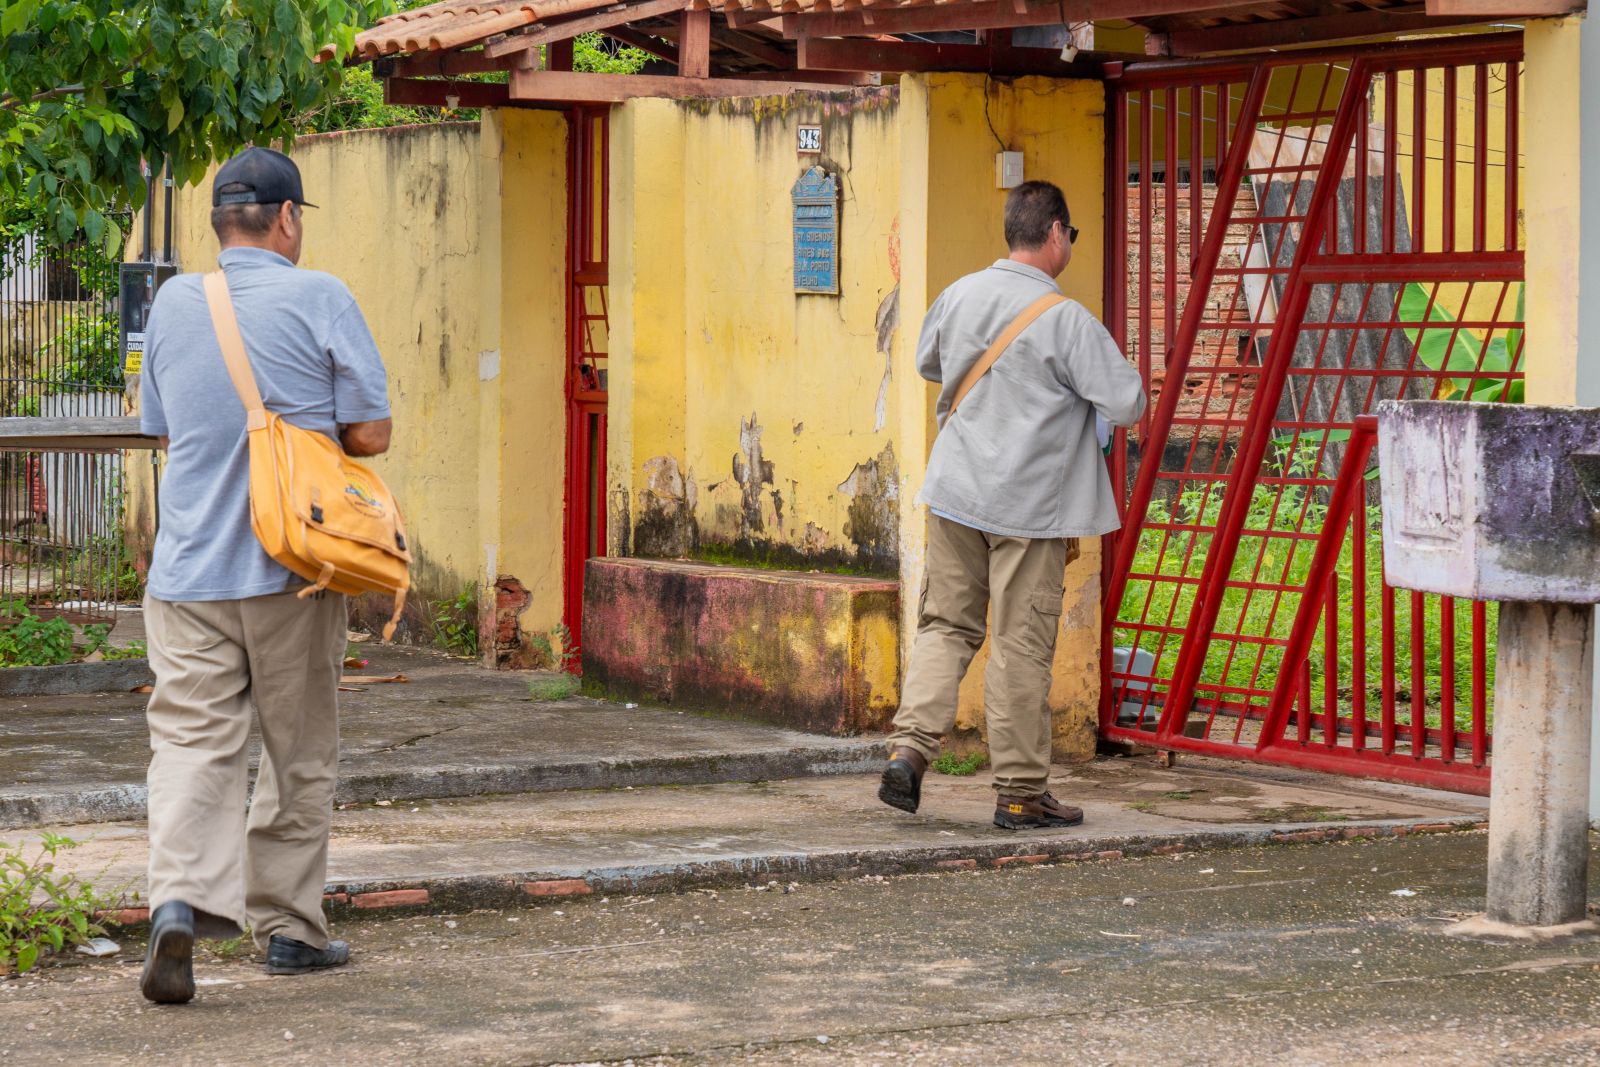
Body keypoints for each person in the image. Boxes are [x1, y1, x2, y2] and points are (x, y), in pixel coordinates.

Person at [137, 147, 393, 1004]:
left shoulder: (173, 304)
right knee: (297, 749)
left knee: (189, 740)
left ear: (220, 223)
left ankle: (178, 897)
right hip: (295, 569)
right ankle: (288, 929)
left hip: (187, 573)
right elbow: (372, 432)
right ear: (287, 219)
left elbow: (163, 427)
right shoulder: (322, 295)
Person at [878, 180, 1146, 831]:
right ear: (1055, 233)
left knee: (945, 624)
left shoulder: (958, 294)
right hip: (1031, 507)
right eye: (1071, 236)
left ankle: (910, 751)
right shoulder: (1069, 321)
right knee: (1020, 646)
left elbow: (927, 363)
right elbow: (1128, 402)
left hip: (955, 492)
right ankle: (1022, 791)